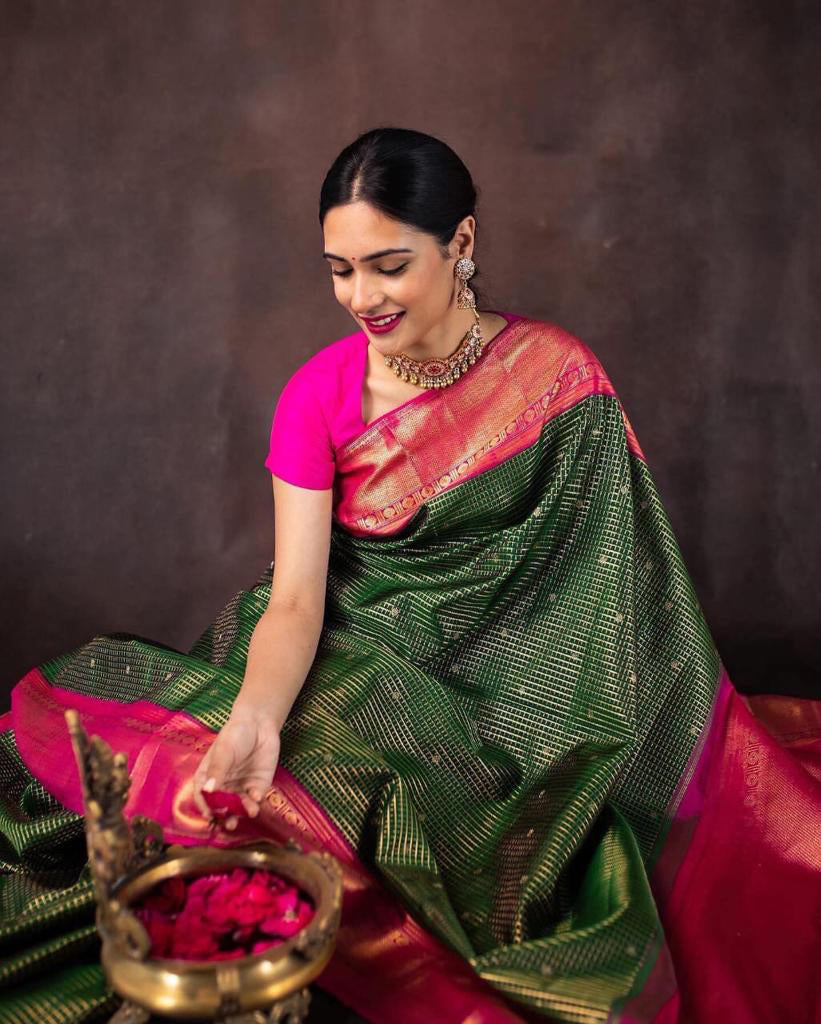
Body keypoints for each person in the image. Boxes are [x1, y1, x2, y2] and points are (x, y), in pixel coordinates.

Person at [1, 127, 819, 1024]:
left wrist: (556, 707)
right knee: (220, 777)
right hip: (351, 652)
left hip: (520, 690)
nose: (360, 297)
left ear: (460, 244)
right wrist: (256, 719)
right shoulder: (317, 394)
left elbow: (617, 593)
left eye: (387, 265)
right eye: (338, 269)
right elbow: (300, 597)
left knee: (485, 829)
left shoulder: (556, 378)